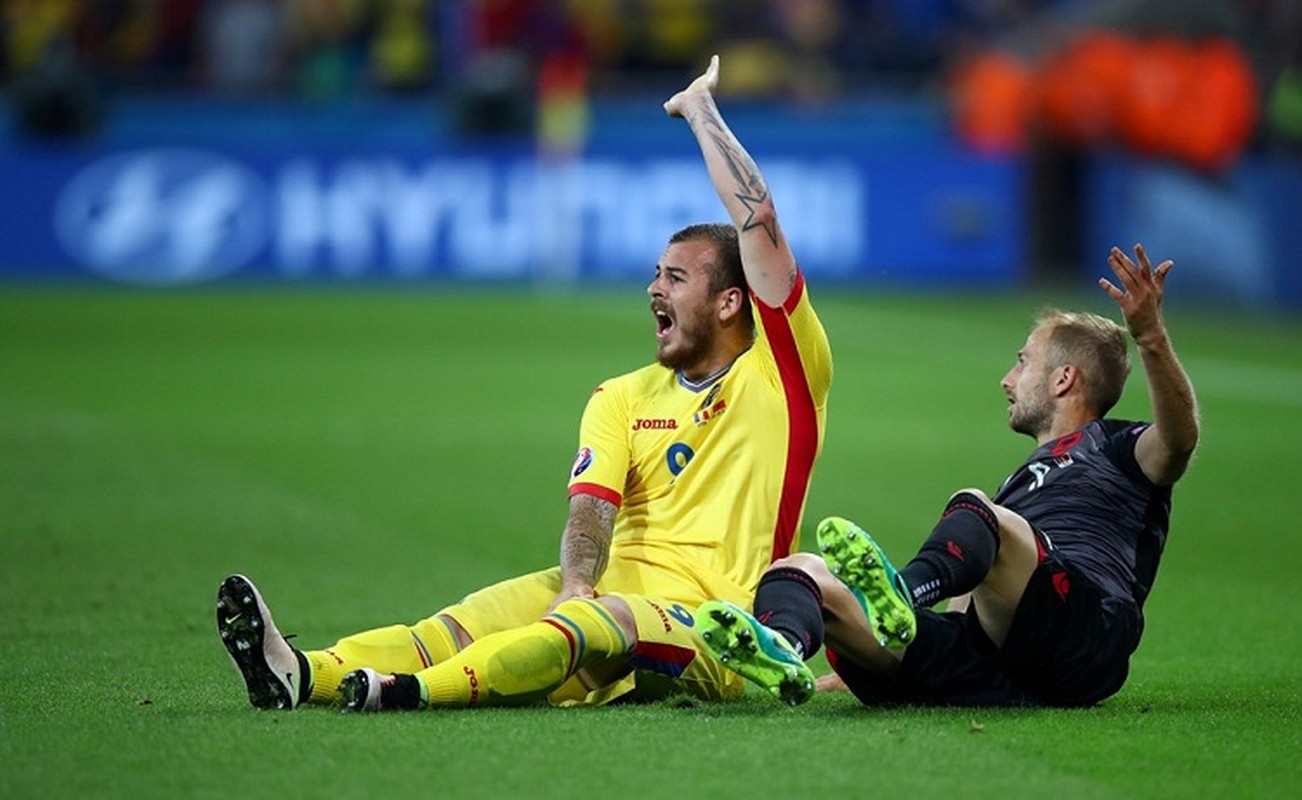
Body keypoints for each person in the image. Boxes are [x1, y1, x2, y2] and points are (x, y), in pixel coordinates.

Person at [216, 54, 832, 712]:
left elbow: (757, 221)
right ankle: (301, 671)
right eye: (655, 274)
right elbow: (591, 512)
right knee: (461, 624)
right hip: (610, 592)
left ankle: (408, 695)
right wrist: (575, 580)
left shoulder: (783, 375)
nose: (654, 287)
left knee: (596, 624)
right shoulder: (620, 396)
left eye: (676, 278)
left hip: (719, 624)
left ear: (731, 303)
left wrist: (701, 111)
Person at [698, 243, 1199, 708]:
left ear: (1063, 379)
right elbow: (974, 597)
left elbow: (1178, 441)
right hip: (1000, 660)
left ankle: (902, 592)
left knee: (977, 509)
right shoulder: (1021, 486)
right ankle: (783, 646)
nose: (1007, 379)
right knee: (801, 570)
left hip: (1085, 637)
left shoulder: (1117, 448)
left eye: (1022, 362)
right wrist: (876, 651)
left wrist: (1151, 338)